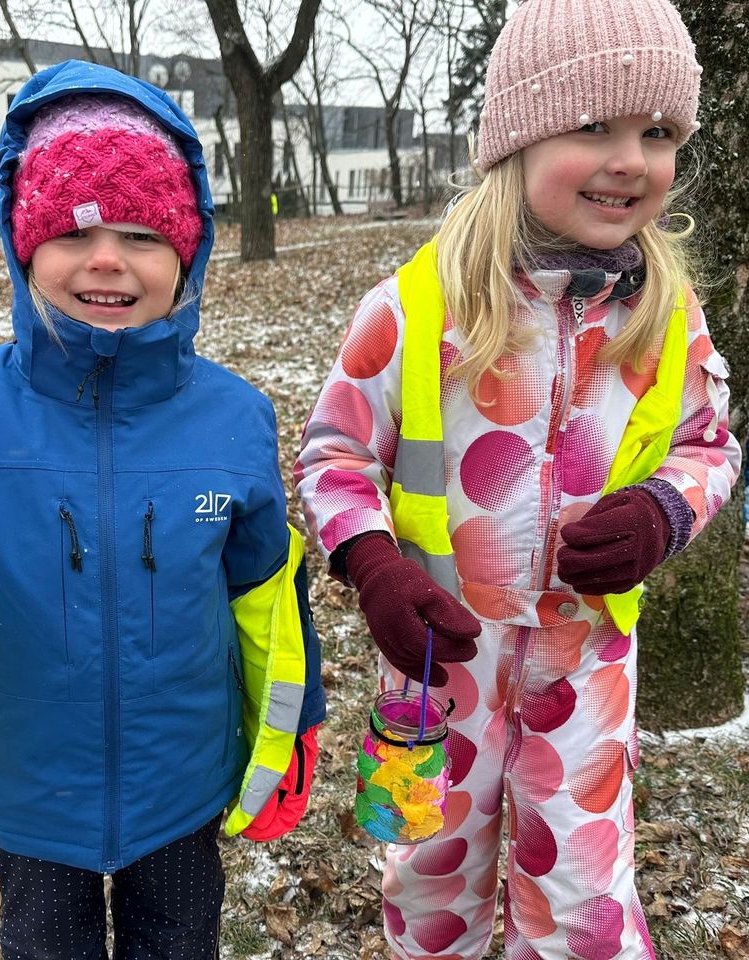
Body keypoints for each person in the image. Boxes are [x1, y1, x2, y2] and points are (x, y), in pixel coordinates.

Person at [0, 61, 325, 960]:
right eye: (74, 230)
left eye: (142, 234)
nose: (107, 258)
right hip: (29, 787)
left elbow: (269, 596)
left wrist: (295, 724)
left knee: (180, 944)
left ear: (187, 256)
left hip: (182, 778)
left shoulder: (235, 418)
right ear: (23, 246)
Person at [295, 0, 740, 956]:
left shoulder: (667, 315)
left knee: (584, 902)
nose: (631, 160)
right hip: (435, 667)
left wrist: (663, 511)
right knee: (428, 879)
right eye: (595, 126)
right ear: (518, 137)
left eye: (659, 134)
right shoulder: (416, 306)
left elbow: (710, 445)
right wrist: (373, 565)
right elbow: (334, 454)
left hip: (586, 663)